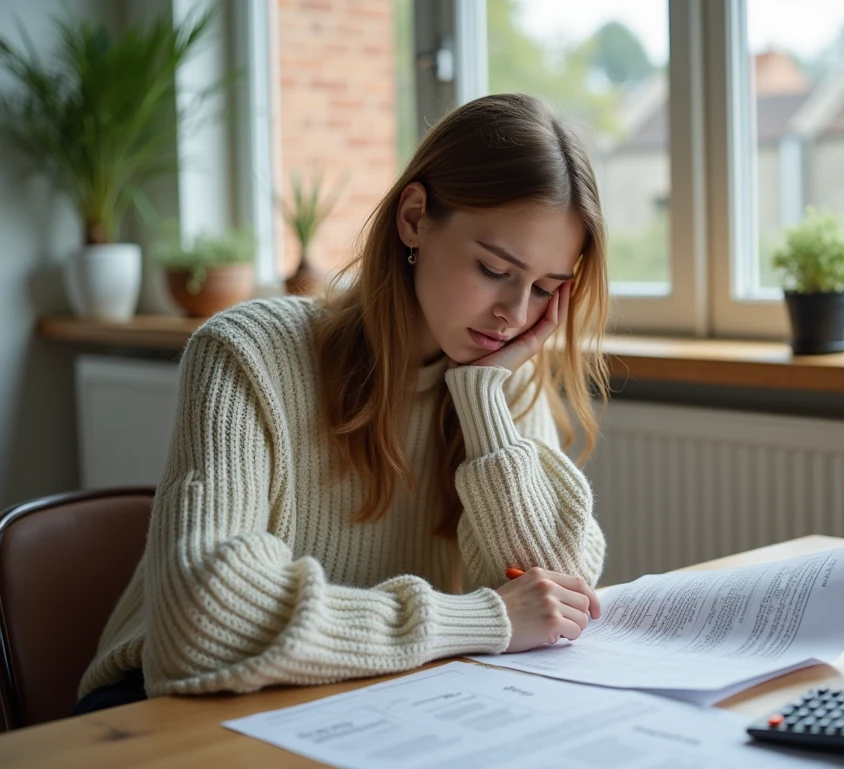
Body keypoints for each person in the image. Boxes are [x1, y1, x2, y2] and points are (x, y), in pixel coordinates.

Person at [73, 93, 609, 714]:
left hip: (364, 704)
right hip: (171, 709)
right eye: (494, 269)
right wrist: (480, 620)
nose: (517, 315)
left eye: (546, 288)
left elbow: (557, 598)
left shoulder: (502, 376)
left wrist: (481, 396)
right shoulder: (247, 352)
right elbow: (202, 619)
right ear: (414, 217)